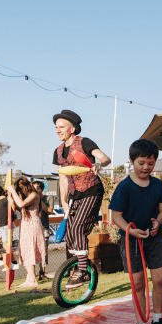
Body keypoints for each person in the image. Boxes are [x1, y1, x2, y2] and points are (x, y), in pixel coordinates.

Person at [109, 139, 162, 324]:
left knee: (160, 279)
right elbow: (115, 216)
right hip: (132, 241)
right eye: (141, 163)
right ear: (131, 161)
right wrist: (131, 230)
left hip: (154, 238)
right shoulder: (124, 187)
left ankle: (157, 320)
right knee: (138, 284)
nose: (146, 167)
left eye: (150, 163)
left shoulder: (158, 185)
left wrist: (158, 222)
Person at [52, 110, 111, 288]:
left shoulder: (84, 142)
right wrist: (63, 202)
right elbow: (62, 177)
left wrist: (98, 164)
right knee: (70, 232)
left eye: (61, 127)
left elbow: (105, 158)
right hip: (73, 195)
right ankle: (80, 267)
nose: (57, 130)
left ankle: (83, 272)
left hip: (91, 190)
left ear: (72, 128)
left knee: (77, 227)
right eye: (56, 127)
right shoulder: (58, 151)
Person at [6, 177, 47, 288]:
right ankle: (29, 278)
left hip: (32, 224)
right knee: (25, 250)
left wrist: (13, 191)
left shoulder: (34, 195)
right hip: (25, 224)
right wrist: (11, 200)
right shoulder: (26, 196)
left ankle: (33, 279)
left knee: (30, 250)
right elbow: (17, 208)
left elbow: (21, 204)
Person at [32, 181, 54, 280]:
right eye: (33, 188)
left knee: (43, 251)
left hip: (44, 227)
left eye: (37, 188)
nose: (35, 190)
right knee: (32, 250)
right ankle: (32, 275)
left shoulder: (48, 198)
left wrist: (40, 201)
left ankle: (42, 273)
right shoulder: (30, 198)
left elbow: (49, 211)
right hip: (32, 228)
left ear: (41, 189)